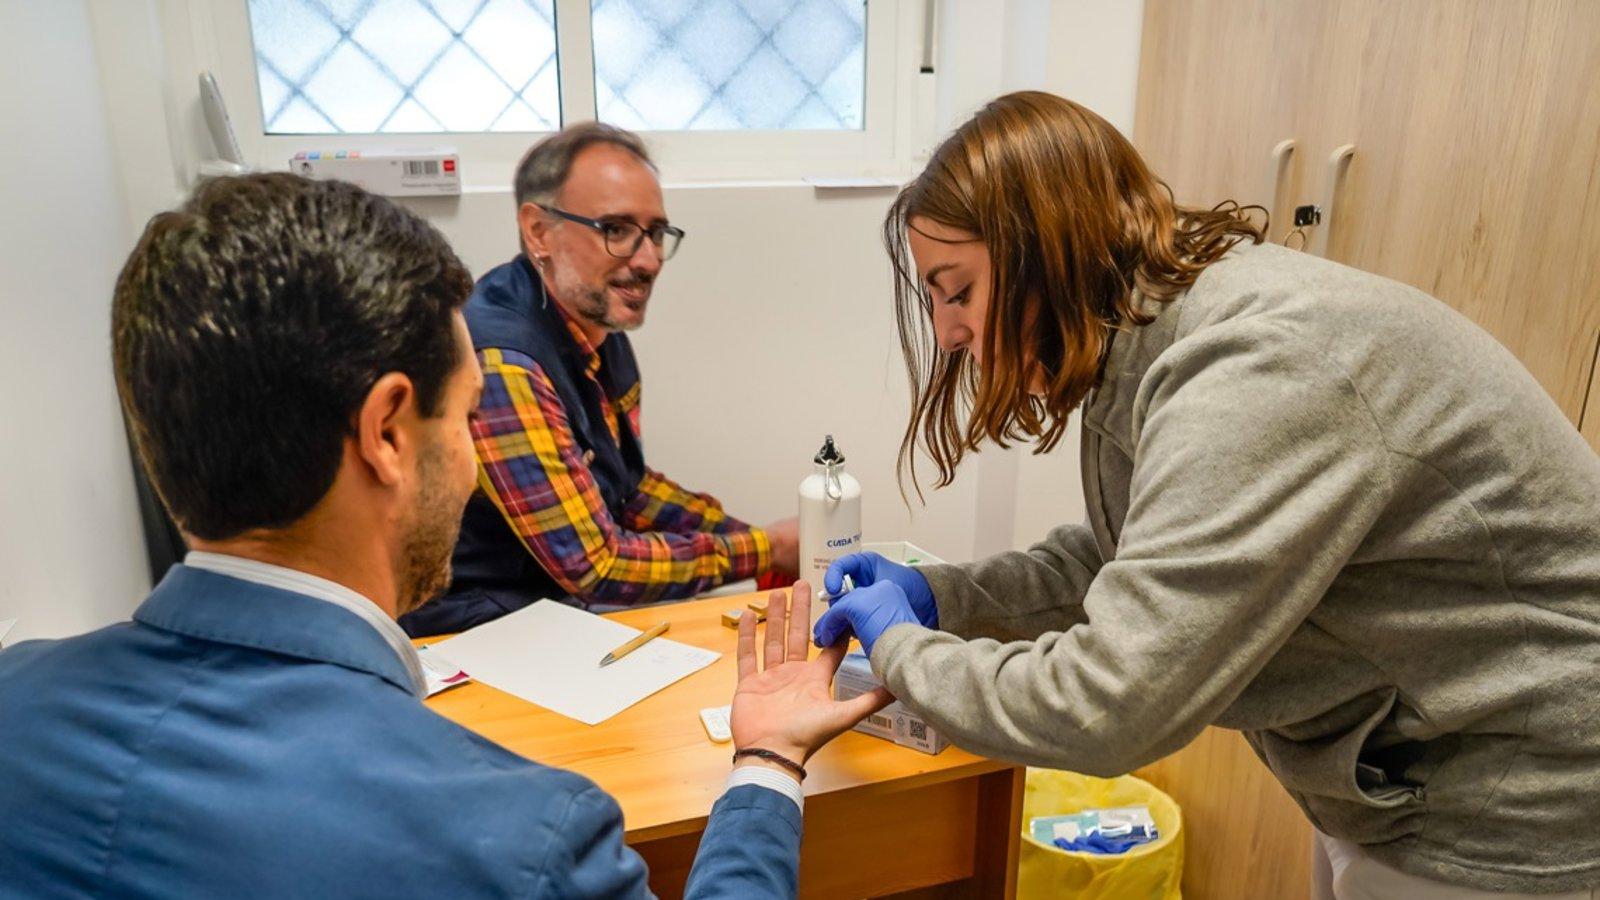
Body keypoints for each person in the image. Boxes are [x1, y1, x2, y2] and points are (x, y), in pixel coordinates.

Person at [0, 173, 888, 898]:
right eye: (465, 418)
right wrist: (768, 759)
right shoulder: (523, 841)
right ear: (388, 433)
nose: (475, 461)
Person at [812, 92, 1600, 898]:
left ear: (1045, 250)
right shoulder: (1150, 340)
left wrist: (907, 650)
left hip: (1517, 802)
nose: (947, 332)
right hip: (1398, 777)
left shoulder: (1256, 367)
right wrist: (946, 596)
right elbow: (1133, 556)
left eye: (959, 290)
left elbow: (1108, 704)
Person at [402, 123, 797, 637]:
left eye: (656, 232)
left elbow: (627, 489)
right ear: (538, 232)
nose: (649, 258)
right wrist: (765, 547)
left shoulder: (595, 326)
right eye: (616, 229)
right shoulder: (504, 364)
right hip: (474, 631)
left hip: (548, 608)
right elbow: (596, 566)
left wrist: (752, 536)